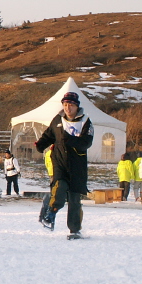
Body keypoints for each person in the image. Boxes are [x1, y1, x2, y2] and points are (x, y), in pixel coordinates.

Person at [35, 91, 94, 240]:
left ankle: (74, 230)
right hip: (60, 162)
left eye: (71, 105)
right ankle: (51, 213)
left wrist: (70, 140)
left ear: (76, 106)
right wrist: (40, 145)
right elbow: (49, 135)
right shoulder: (58, 120)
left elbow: (86, 142)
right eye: (65, 104)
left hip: (77, 166)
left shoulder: (85, 121)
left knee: (74, 199)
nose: (68, 108)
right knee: (59, 187)